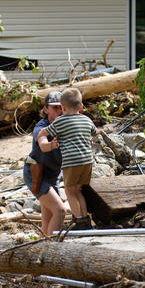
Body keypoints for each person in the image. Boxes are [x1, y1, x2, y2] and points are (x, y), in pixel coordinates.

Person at [38, 87, 97, 230]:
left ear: (62, 107)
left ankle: (79, 221)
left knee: (70, 191)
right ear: (81, 107)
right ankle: (85, 220)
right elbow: (93, 133)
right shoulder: (86, 119)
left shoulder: (61, 121)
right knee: (78, 190)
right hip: (87, 162)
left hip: (72, 162)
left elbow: (44, 132)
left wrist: (43, 139)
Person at [23, 91, 67, 237]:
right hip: (36, 174)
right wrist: (50, 144)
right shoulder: (41, 126)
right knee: (60, 211)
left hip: (52, 176)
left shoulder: (68, 125)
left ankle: (40, 251)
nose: (59, 111)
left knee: (48, 220)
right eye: (55, 108)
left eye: (61, 107)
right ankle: (51, 250)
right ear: (46, 109)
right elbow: (42, 142)